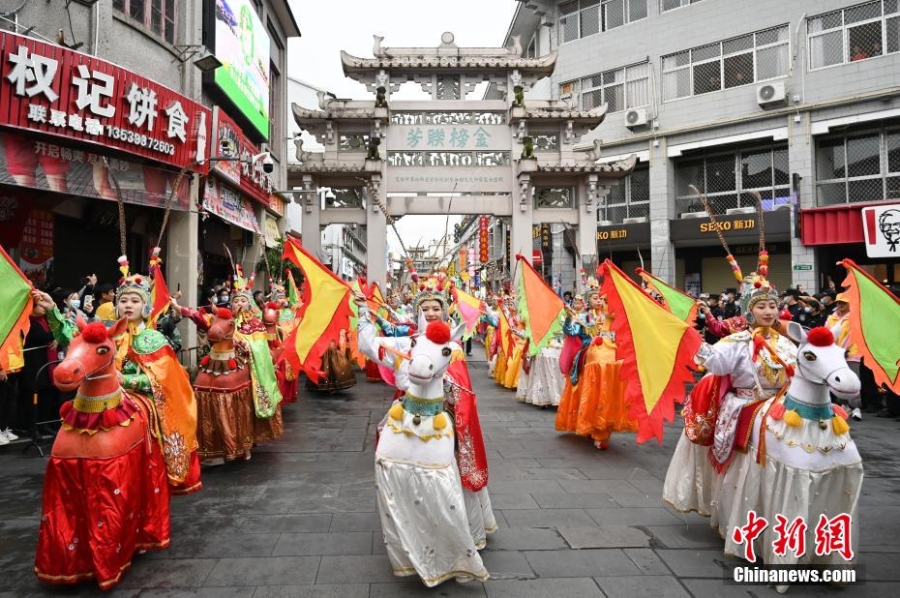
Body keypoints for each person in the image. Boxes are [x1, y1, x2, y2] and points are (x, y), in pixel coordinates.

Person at [353, 273, 494, 585]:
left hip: (443, 419)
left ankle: (456, 550)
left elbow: (459, 384)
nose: (430, 313)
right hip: (406, 417)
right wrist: (363, 314)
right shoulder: (406, 343)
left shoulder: (453, 347)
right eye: (425, 309)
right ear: (418, 312)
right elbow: (370, 346)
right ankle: (409, 542)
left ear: (444, 313)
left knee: (443, 484)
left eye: (436, 309)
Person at [37, 256, 202, 494]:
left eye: (135, 301)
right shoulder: (105, 331)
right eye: (123, 300)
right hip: (99, 393)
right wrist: (52, 310)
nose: (128, 305)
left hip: (137, 396)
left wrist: (126, 380)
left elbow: (164, 381)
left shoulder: (153, 339)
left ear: (145, 307)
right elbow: (72, 341)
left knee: (144, 424)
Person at [663, 275, 796, 517]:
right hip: (745, 407)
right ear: (749, 311)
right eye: (761, 306)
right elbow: (717, 364)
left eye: (773, 306)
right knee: (744, 468)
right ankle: (737, 516)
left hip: (780, 410)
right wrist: (692, 340)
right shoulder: (738, 342)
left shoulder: (787, 343)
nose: (768, 312)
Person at [556, 280, 636, 450]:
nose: (599, 301)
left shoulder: (610, 314)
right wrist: (570, 318)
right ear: (588, 301)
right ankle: (593, 425)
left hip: (612, 351)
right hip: (589, 353)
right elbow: (571, 332)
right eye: (595, 298)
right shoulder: (586, 317)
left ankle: (605, 425)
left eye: (602, 298)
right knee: (595, 383)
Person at [825, 292, 862, 420]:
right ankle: (843, 405)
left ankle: (856, 407)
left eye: (843, 303)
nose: (840, 305)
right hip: (837, 354)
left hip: (852, 353)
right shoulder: (831, 318)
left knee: (853, 380)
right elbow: (827, 335)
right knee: (839, 380)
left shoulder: (855, 317)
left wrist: (848, 349)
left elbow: (857, 335)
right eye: (838, 303)